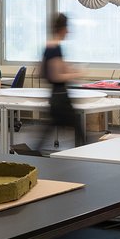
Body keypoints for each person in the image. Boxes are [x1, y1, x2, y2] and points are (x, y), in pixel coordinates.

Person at [30, 13, 84, 154]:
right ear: (62, 29)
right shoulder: (54, 48)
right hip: (60, 96)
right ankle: (84, 154)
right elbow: (56, 75)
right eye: (67, 28)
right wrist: (76, 74)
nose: (68, 31)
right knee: (78, 128)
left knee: (52, 127)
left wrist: (70, 70)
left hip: (57, 95)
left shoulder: (50, 47)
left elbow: (45, 71)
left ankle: (35, 152)